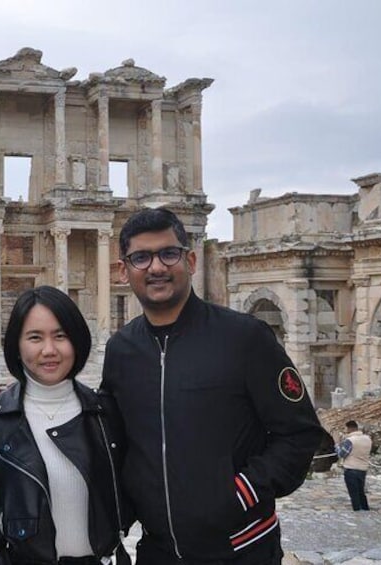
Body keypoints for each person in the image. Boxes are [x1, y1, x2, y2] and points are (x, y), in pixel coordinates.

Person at [100, 208, 325, 564]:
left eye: (168, 253)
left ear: (190, 261)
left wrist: (240, 493)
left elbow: (300, 435)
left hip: (241, 548)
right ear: (123, 271)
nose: (156, 267)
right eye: (141, 257)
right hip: (157, 551)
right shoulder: (121, 350)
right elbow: (110, 431)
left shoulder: (245, 338)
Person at [0, 285, 131, 565]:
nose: (49, 350)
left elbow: (140, 484)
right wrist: (6, 528)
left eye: (60, 336)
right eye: (35, 337)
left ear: (77, 342)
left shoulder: (106, 414)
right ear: (17, 346)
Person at [335, 420, 372, 511]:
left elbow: (342, 454)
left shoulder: (350, 440)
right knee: (361, 491)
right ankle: (365, 508)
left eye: (345, 428)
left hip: (351, 469)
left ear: (349, 428)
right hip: (363, 468)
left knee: (354, 493)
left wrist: (337, 446)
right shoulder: (367, 439)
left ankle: (357, 510)